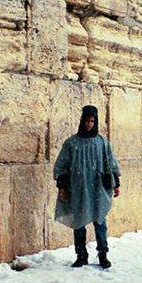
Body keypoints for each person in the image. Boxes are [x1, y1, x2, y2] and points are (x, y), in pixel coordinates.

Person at [53, 105, 121, 268]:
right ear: (81, 121)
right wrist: (62, 186)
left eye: (92, 121)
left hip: (98, 189)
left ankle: (103, 254)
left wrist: (116, 183)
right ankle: (81, 255)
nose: (89, 124)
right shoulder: (71, 143)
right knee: (79, 222)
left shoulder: (102, 143)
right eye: (86, 120)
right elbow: (62, 165)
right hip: (78, 189)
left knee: (100, 221)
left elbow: (111, 162)